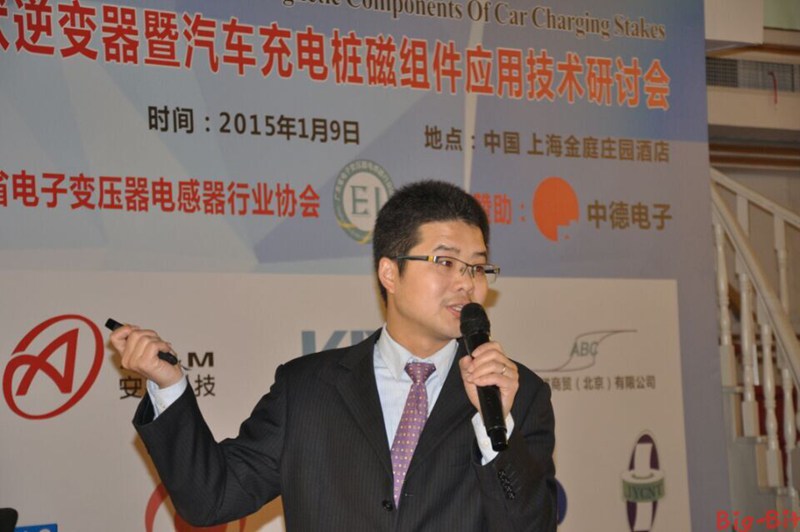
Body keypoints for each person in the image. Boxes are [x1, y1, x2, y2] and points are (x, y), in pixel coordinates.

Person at [111, 180, 556, 531]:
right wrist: (169, 385)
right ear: (390, 272)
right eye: (445, 262)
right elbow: (212, 497)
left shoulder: (519, 393)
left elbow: (532, 526)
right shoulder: (307, 389)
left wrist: (496, 429)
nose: (466, 282)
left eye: (477, 267)